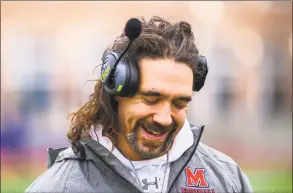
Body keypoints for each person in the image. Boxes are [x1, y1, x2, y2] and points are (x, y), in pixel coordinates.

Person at [25, 16, 253, 193]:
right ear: (116, 91)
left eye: (179, 103)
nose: (164, 118)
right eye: (151, 99)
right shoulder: (58, 187)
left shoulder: (226, 178)